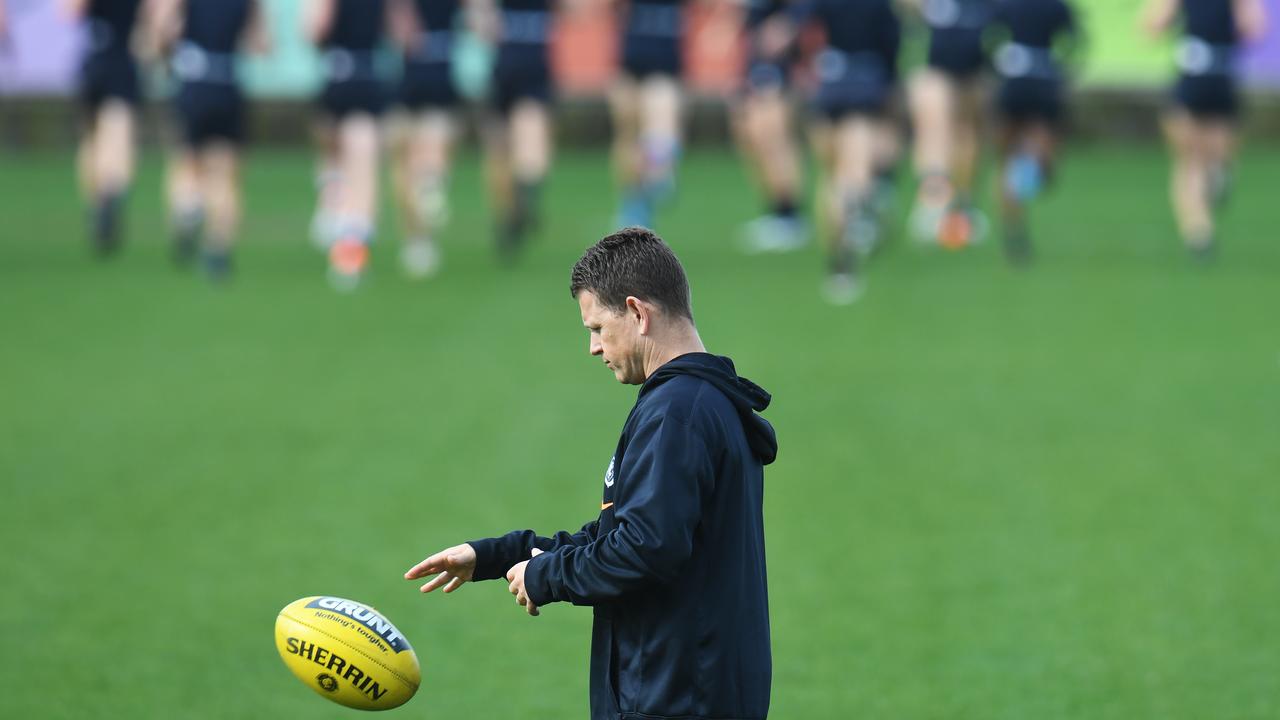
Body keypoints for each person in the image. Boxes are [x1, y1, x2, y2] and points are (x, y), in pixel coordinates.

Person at [405, 227, 777, 720]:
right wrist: (503, 555)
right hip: (696, 686)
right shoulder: (703, 401)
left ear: (638, 312)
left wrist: (547, 576)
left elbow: (647, 549)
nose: (594, 348)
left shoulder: (676, 413)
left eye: (598, 328)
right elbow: (623, 535)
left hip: (673, 696)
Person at [151, 0, 268, 282]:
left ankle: (188, 209)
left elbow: (162, 31)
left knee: (187, 162)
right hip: (228, 82)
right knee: (226, 173)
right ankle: (219, 246)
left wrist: (169, 50)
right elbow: (261, 42)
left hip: (194, 83)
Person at [1142, 0, 1267, 260]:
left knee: (1206, 160)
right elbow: (1254, 30)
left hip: (1210, 77)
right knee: (1192, 160)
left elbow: (1254, 30)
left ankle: (1213, 188)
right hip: (1205, 78)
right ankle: (1199, 234)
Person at [796, 0, 902, 304]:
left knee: (830, 175)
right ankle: (858, 224)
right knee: (853, 170)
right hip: (865, 82)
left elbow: (800, 25)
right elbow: (891, 46)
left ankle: (838, 262)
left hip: (829, 83)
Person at [306, 0, 391, 289]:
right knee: (357, 155)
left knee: (353, 152)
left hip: (345, 73)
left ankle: (343, 227)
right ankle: (337, 206)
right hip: (361, 73)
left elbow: (315, 30)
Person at [989, 0, 1078, 265]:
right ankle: (1015, 226)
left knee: (1012, 160)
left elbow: (988, 35)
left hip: (1016, 82)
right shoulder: (1057, 6)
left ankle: (1014, 214)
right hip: (1042, 82)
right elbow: (1074, 41)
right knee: (1028, 160)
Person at [905, 0, 993, 248]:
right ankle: (932, 203)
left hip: (973, 72)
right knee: (934, 133)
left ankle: (963, 205)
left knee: (968, 136)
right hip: (936, 70)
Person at [473, 0, 556, 261]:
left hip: (508, 64)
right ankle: (521, 197)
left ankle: (513, 210)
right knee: (517, 139)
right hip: (521, 63)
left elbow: (480, 21)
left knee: (505, 145)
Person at [386, 0, 464, 279]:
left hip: (432, 75)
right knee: (409, 159)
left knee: (422, 153)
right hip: (412, 78)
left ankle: (420, 234)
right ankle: (418, 234)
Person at [64, 0, 147, 257]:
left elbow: (70, 12)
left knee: (92, 139)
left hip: (96, 56)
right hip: (122, 58)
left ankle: (95, 201)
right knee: (119, 134)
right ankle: (111, 190)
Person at [735, 0, 808, 254]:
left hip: (779, 59)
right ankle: (777, 210)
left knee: (771, 129)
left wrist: (789, 24)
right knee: (749, 133)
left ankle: (790, 215)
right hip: (754, 55)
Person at [611, 0, 686, 230]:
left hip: (665, 62)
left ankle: (659, 170)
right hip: (631, 62)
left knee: (662, 115)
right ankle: (635, 206)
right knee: (629, 137)